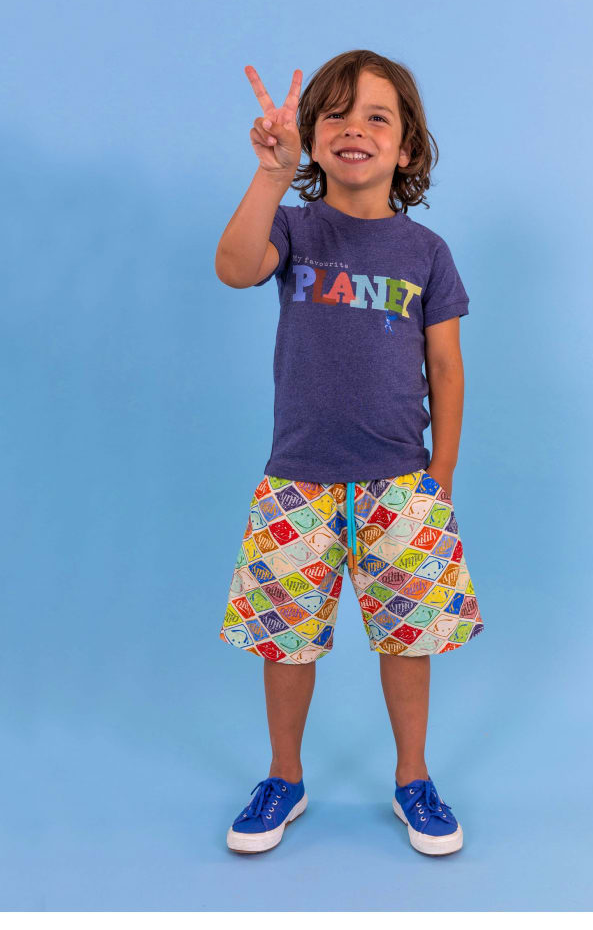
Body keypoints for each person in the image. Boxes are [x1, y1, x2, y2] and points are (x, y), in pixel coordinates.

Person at [215, 50, 484, 856]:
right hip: (297, 482)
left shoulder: (426, 252)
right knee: (285, 638)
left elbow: (446, 367)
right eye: (334, 114)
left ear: (406, 147)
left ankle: (413, 779)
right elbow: (234, 268)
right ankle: (284, 777)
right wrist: (271, 175)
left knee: (409, 637)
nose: (353, 128)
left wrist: (440, 473)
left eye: (376, 116)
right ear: (311, 136)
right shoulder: (293, 228)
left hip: (401, 483)